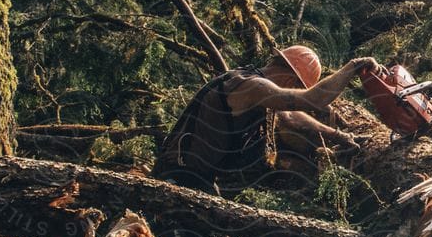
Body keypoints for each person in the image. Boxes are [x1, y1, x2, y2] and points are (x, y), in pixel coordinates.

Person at [154, 45, 378, 195]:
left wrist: (337, 136)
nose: (295, 91)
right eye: (297, 87)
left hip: (199, 177)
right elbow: (312, 101)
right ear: (291, 79)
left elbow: (290, 116)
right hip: (180, 177)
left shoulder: (254, 85)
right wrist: (354, 67)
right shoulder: (253, 86)